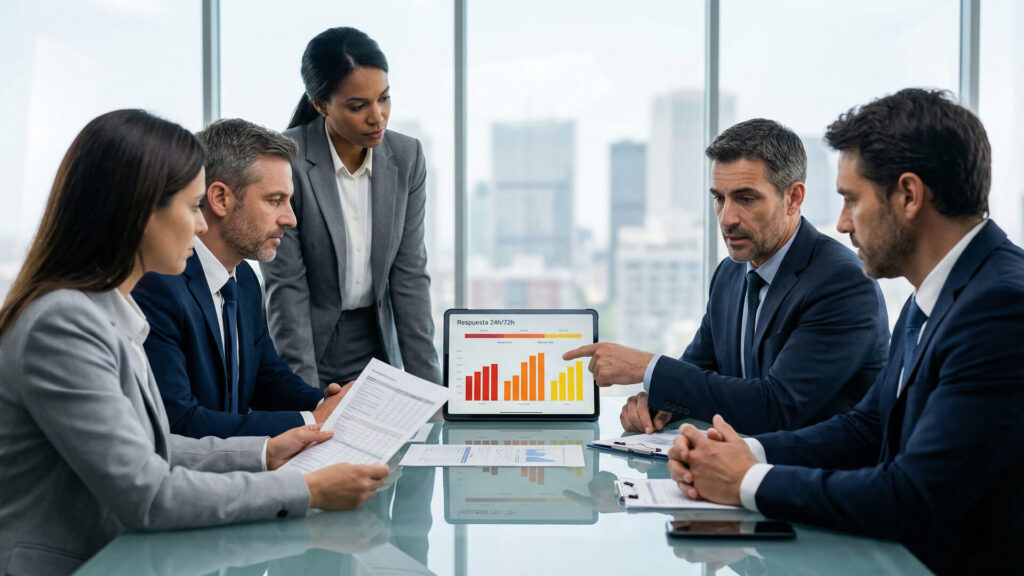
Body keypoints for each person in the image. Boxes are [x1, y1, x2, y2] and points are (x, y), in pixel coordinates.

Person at [0, 109, 390, 576]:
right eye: (190, 207)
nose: (201, 226)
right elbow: (149, 493)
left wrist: (264, 453)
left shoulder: (102, 311)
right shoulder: (63, 325)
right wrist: (309, 490)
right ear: (138, 213)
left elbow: (151, 448)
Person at [668, 89, 1024, 574]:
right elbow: (869, 426)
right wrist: (745, 451)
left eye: (851, 200)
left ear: (909, 196)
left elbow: (912, 498)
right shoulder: (937, 295)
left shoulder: (1001, 308)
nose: (840, 223)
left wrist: (747, 481)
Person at [564, 119, 888, 435]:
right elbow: (699, 371)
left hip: (813, 480)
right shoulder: (730, 274)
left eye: (746, 199)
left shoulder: (842, 282)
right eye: (719, 198)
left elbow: (775, 408)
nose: (727, 218)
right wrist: (658, 402)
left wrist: (647, 368)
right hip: (736, 472)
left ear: (793, 198)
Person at [134, 118, 344, 438]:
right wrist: (309, 421)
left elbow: (266, 378)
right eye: (275, 200)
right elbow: (179, 422)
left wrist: (329, 402)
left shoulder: (244, 279)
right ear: (220, 199)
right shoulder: (158, 285)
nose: (290, 218)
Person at [261, 27, 441, 388]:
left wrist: (432, 395)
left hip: (376, 345)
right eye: (358, 106)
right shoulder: (287, 161)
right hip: (307, 343)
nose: (378, 117)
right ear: (320, 105)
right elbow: (287, 288)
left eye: (384, 98)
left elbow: (409, 278)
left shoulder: (407, 158)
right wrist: (305, 399)